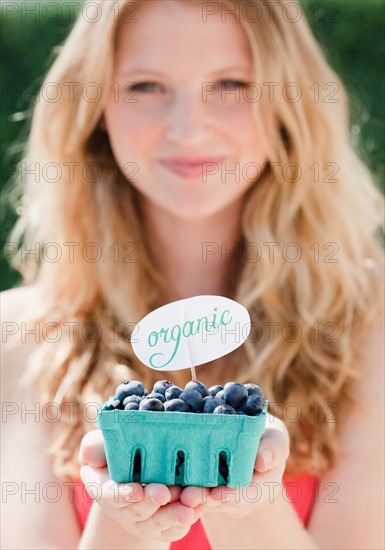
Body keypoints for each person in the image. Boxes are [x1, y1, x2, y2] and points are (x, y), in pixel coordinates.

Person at [1, 0, 384, 548]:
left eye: (230, 83)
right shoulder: (18, 334)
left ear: (288, 105)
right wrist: (124, 518)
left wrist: (248, 508)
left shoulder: (372, 319)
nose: (186, 127)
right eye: (144, 86)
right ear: (92, 110)